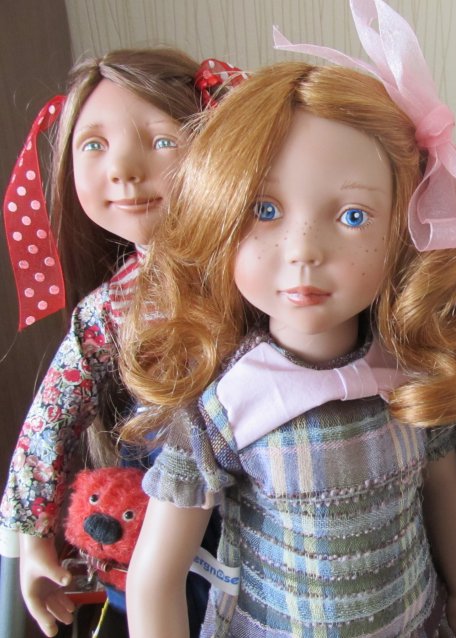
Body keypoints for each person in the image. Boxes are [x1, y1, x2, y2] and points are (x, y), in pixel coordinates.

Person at [120, 4, 456, 634]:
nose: (304, 250)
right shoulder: (227, 403)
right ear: (218, 215)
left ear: (404, 227)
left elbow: (443, 489)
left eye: (353, 217)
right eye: (264, 210)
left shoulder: (409, 373)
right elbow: (155, 577)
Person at [0, 47, 230, 637]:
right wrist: (30, 536)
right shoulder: (110, 310)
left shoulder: (255, 272)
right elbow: (50, 420)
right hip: (155, 511)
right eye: (93, 145)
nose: (123, 169)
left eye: (162, 140)